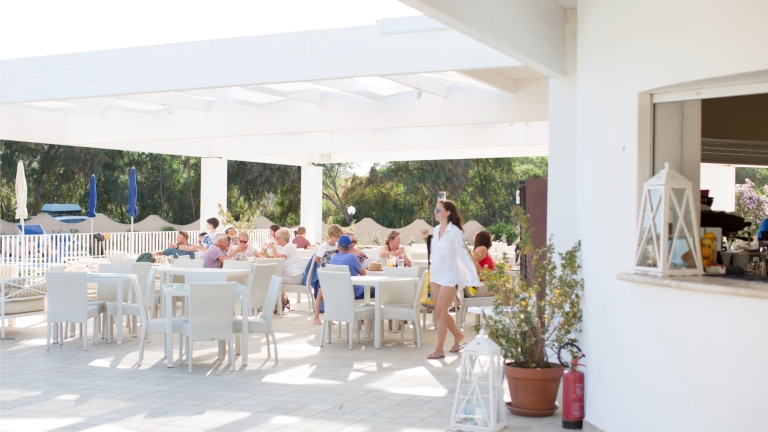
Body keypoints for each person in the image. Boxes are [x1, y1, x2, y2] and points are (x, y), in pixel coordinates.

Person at [420, 199, 479, 360]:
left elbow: (464, 256)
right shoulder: (437, 229)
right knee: (440, 311)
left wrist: (473, 277)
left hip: (451, 276)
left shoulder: (455, 232)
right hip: (437, 274)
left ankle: (439, 349)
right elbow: (436, 252)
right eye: (435, 210)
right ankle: (458, 336)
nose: (435, 212)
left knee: (440, 310)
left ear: (448, 213)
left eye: (439, 210)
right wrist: (426, 239)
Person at [312, 224, 342, 325]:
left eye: (339, 237)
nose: (338, 238)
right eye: (337, 236)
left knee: (331, 295)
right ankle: (316, 317)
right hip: (324, 273)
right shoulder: (324, 246)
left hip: (334, 273)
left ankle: (330, 317)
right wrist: (325, 264)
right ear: (330, 235)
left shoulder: (338, 246)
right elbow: (317, 258)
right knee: (321, 295)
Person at [330, 235, 371, 299]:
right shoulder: (352, 257)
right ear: (349, 247)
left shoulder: (333, 258)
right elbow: (363, 273)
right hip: (357, 292)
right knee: (378, 289)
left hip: (341, 294)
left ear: (338, 246)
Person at [466, 230, 495, 298]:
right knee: (506, 291)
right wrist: (484, 274)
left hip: (481, 285)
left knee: (505, 288)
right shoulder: (482, 248)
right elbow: (471, 261)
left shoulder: (482, 250)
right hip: (477, 288)